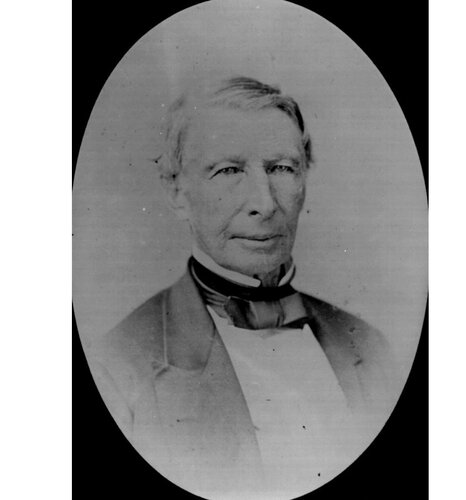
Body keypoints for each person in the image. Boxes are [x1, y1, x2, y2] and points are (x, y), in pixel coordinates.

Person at [88, 76, 398, 499]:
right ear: (176, 190)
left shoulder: (371, 349)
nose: (265, 204)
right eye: (229, 171)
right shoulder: (116, 370)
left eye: (281, 168)